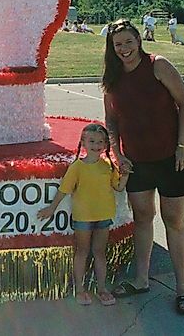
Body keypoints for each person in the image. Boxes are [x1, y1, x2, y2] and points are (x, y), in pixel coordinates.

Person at [101, 19, 184, 316]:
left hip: (172, 157)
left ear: (138, 41)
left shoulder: (158, 66)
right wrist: (117, 153)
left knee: (174, 219)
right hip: (137, 160)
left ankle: (182, 289)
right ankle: (141, 279)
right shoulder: (112, 78)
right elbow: (112, 120)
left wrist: (182, 145)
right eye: (118, 45)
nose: (124, 49)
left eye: (128, 42)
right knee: (142, 217)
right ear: (112, 48)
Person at [38, 123, 129, 307]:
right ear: (83, 143)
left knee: (100, 252)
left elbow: (118, 186)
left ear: (105, 145)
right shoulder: (77, 167)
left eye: (101, 142)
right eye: (92, 141)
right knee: (82, 252)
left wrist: (125, 174)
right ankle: (80, 289)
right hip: (83, 218)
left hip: (104, 216)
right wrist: (51, 208)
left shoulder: (107, 166)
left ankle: (102, 288)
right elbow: (64, 189)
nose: (96, 145)